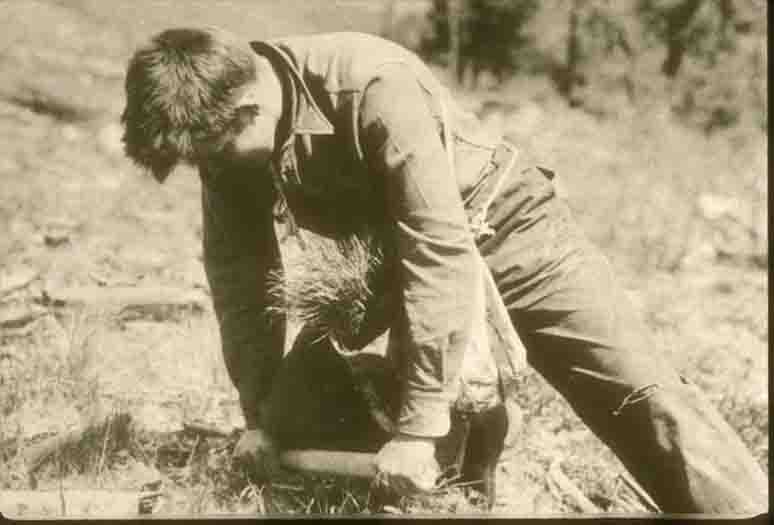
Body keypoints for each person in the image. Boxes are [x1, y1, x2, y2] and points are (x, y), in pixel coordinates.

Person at [120, 28, 768, 513]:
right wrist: (256, 412)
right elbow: (239, 274)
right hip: (388, 262)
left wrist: (417, 425)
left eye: (212, 156)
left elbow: (437, 244)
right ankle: (463, 488)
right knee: (297, 419)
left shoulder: (371, 86)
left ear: (248, 108)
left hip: (508, 226)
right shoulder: (226, 147)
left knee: (637, 389)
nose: (212, 174)